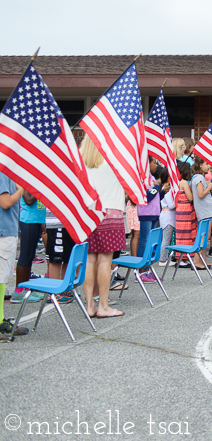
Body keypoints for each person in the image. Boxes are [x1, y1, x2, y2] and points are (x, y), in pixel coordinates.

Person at [80, 136, 127, 318]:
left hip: (89, 213)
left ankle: (89, 305)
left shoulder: (81, 160)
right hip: (111, 211)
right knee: (105, 261)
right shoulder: (115, 158)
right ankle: (104, 306)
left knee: (90, 260)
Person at [0, 172, 27, 341]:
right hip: (4, 232)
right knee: (0, 279)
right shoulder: (2, 173)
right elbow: (5, 202)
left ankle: (1, 319)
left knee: (2, 280)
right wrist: (21, 190)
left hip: (6, 231)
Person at [9, 189, 45, 304]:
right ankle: (18, 291)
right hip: (29, 220)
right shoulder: (28, 181)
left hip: (38, 219)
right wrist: (42, 188)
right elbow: (28, 200)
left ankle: (25, 288)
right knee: (25, 256)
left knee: (30, 256)